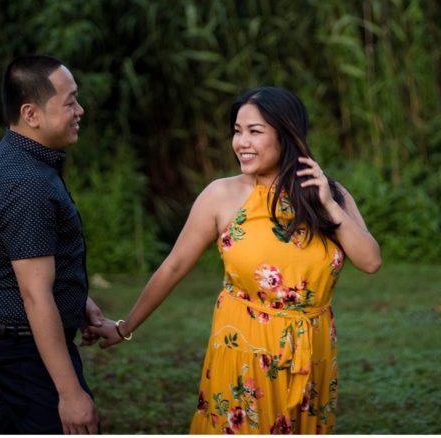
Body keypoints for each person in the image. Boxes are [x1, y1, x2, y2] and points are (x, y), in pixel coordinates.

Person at [87, 86, 382, 434]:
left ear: (287, 135)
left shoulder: (330, 194)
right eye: (237, 131)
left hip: (312, 354)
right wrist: (124, 328)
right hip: (245, 354)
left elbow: (370, 261)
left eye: (255, 132)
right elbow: (174, 266)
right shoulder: (221, 196)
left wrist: (329, 206)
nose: (241, 142)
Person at [0, 55, 105, 434]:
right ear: (31, 114)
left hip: (21, 347)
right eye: (69, 102)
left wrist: (75, 298)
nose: (80, 110)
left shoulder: (24, 159)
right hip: (26, 353)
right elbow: (34, 295)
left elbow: (38, 267)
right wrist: (70, 393)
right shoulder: (26, 182)